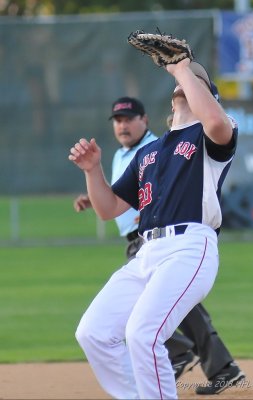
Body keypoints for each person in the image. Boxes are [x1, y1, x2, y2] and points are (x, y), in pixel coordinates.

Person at [69, 58, 243, 399]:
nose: (185, 82)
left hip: (190, 247)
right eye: (184, 80)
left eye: (196, 81)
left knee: (142, 334)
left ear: (209, 98)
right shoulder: (149, 151)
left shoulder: (213, 133)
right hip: (146, 253)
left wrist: (181, 67)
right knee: (93, 331)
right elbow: (108, 209)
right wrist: (93, 170)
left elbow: (214, 120)